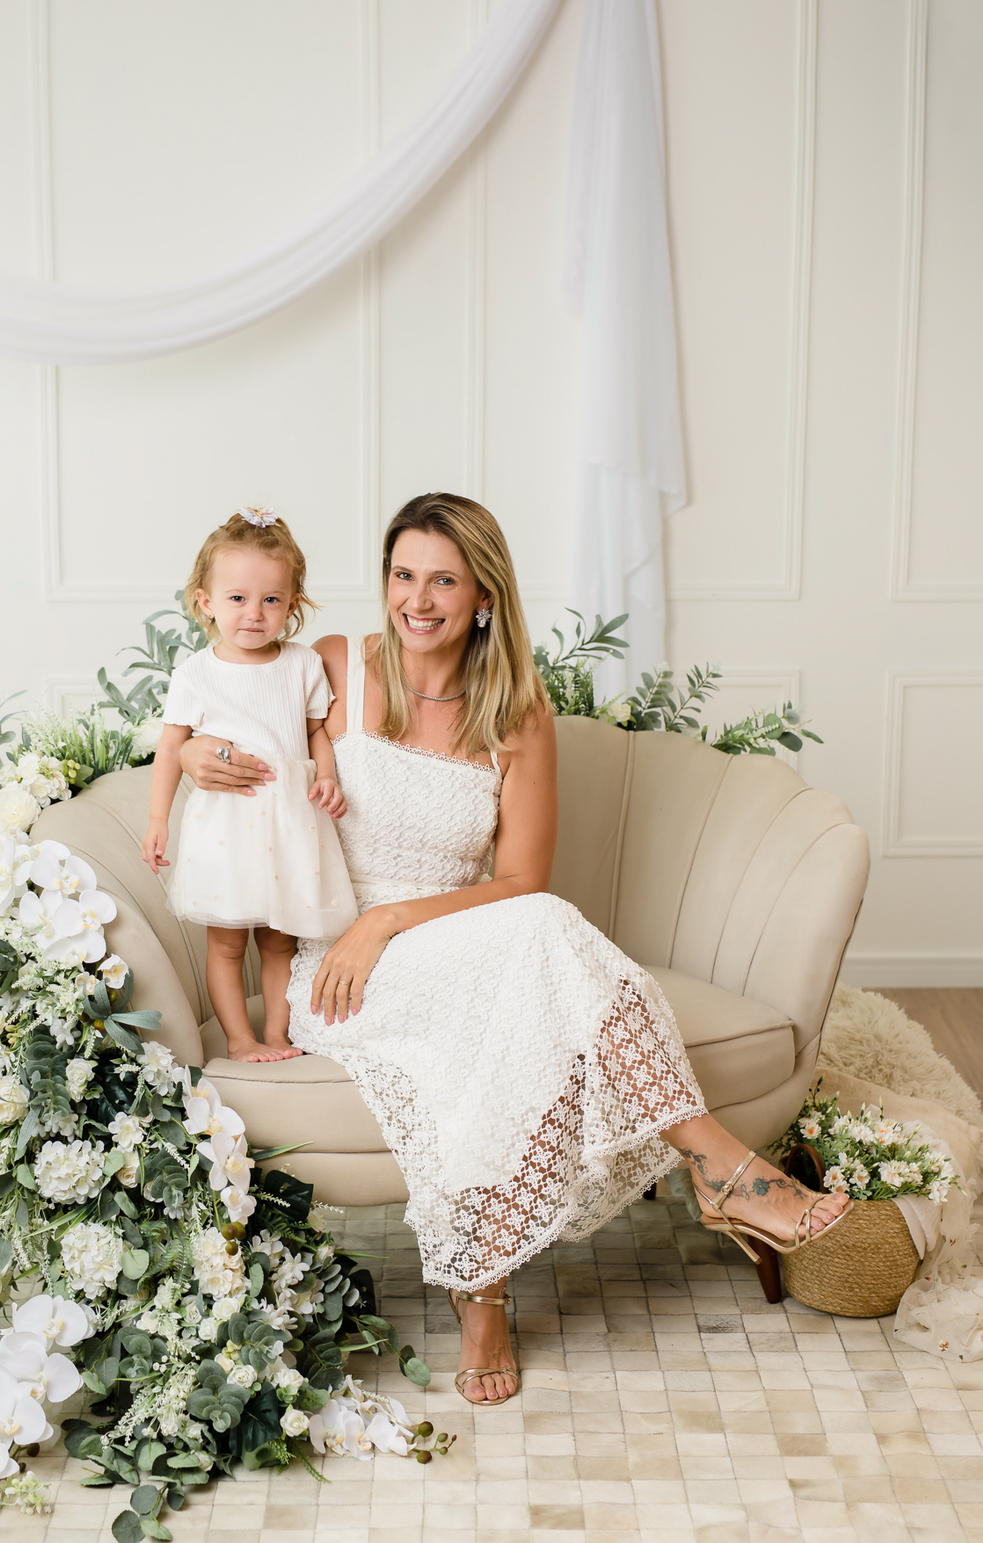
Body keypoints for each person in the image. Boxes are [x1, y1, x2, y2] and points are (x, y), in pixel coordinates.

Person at [173, 493, 852, 1403]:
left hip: (450, 940)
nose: (418, 599)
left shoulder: (517, 715)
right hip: (335, 969)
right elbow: (226, 694)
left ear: (484, 596)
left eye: (443, 580)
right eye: (403, 575)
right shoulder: (335, 667)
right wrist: (186, 761)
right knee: (544, 947)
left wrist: (395, 919)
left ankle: (480, 1284)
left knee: (536, 940)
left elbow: (522, 881)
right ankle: (721, 1169)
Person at [141, 508, 357, 1063]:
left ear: (293, 603)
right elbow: (171, 749)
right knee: (228, 941)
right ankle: (240, 1038)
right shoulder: (196, 673)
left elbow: (315, 735)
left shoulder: (303, 664)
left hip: (290, 820)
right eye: (237, 598)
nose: (255, 614)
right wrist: (158, 820)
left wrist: (327, 777)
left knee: (280, 938)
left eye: (271, 600)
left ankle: (280, 1035)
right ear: (205, 601)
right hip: (228, 822)